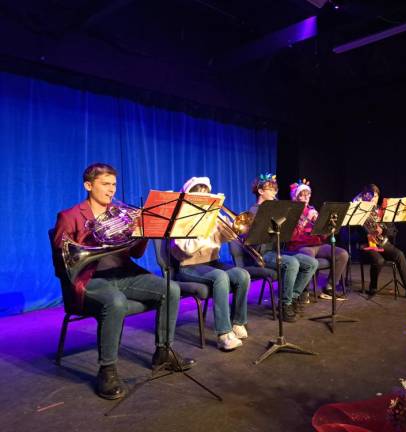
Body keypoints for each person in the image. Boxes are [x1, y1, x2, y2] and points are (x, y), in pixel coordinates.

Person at [52, 163, 192, 401]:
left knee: (171, 288)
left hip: (124, 274)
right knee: (115, 302)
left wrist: (143, 231)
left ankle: (163, 351)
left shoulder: (120, 213)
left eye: (114, 184)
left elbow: (135, 254)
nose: (111, 190)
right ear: (88, 186)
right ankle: (107, 370)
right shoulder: (70, 216)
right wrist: (94, 239)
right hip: (90, 279)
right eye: (105, 184)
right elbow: (62, 260)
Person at [171, 177, 250, 351]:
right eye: (199, 195)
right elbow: (186, 249)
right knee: (220, 277)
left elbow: (224, 239)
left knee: (242, 275)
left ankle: (237, 322)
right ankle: (223, 334)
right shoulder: (182, 219)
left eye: (206, 195)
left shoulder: (214, 216)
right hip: (188, 267)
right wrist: (203, 228)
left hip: (212, 263)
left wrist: (230, 230)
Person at [247, 173, 319, 322]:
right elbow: (252, 239)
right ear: (260, 191)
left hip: (275, 251)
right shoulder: (253, 211)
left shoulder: (276, 209)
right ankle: (285, 304)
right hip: (262, 254)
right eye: (271, 189)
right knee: (292, 263)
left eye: (275, 190)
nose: (275, 193)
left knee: (312, 263)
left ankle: (292, 297)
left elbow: (286, 235)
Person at [286, 179, 349, 302]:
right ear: (296, 196)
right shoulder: (291, 211)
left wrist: (324, 225)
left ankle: (330, 287)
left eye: (308, 194)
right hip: (300, 245)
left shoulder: (312, 209)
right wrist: (306, 220)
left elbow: (323, 237)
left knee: (342, 254)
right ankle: (303, 291)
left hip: (317, 244)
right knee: (309, 258)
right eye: (302, 195)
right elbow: (291, 236)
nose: (306, 197)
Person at [354, 184, 406, 300]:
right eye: (371, 197)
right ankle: (373, 288)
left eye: (376, 196)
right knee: (379, 260)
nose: (373, 199)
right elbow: (354, 233)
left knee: (400, 254)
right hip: (366, 245)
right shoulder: (359, 212)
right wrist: (367, 232)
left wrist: (382, 230)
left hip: (383, 243)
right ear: (365, 197)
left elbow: (393, 230)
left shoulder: (382, 211)